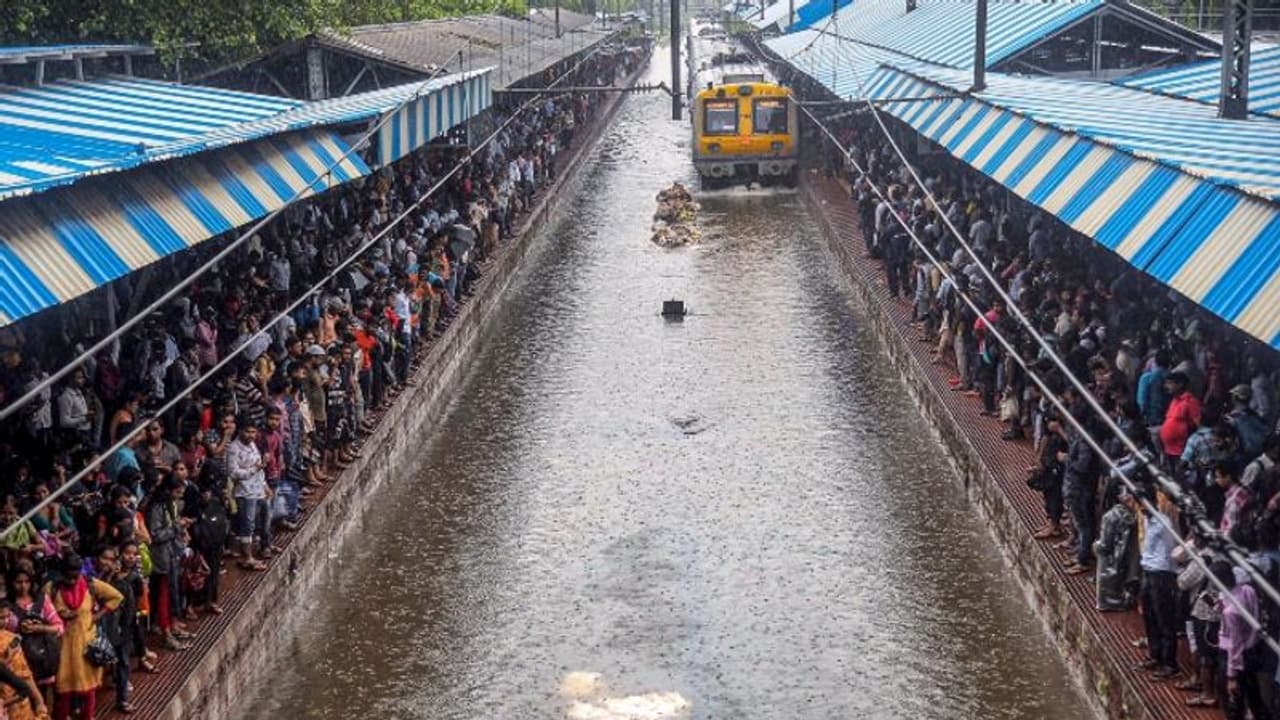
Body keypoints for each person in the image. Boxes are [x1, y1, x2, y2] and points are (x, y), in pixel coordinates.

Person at [49, 553, 122, 720]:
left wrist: (97, 616)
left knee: (89, 693)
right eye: (68, 578)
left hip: (85, 646)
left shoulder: (90, 584)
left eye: (75, 577)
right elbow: (43, 610)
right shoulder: (52, 588)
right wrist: (58, 617)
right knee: (63, 694)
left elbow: (116, 597)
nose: (73, 581)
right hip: (62, 648)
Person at [1135, 490, 1180, 680]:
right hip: (1148, 569)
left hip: (1161, 573)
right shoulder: (1147, 519)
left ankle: (1169, 663)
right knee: (1150, 615)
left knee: (1164, 618)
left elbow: (1171, 548)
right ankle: (1155, 654)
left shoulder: (1164, 524)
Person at [8, 566, 62, 705]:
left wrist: (39, 628)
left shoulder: (42, 601)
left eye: (27, 582)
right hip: (18, 662)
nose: (23, 586)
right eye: (18, 582)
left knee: (42, 699)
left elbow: (59, 627)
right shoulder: (6, 605)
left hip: (42, 660)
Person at [96, 545, 136, 714]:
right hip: (97, 632)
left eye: (111, 560)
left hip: (118, 631)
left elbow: (129, 611)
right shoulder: (93, 583)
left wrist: (125, 631)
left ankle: (122, 699)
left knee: (123, 664)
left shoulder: (123, 585)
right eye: (104, 558)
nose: (107, 563)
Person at [1093, 483, 1137, 611]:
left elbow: (1105, 543)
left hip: (1113, 555)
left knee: (1110, 580)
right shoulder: (1124, 517)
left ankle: (1108, 601)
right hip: (1117, 554)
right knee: (1114, 578)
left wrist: (1097, 547)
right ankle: (1113, 601)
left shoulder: (1114, 516)